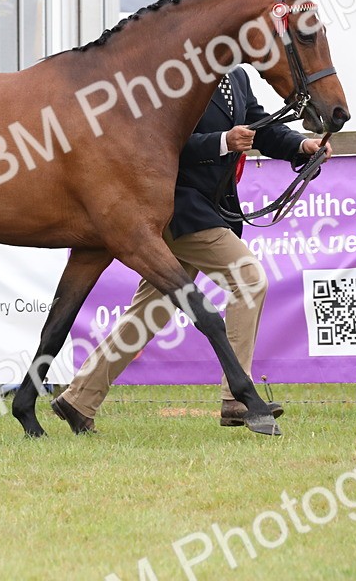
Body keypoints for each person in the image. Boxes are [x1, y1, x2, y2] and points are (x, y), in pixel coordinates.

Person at [51, 67, 332, 437]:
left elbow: (260, 128)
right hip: (178, 207)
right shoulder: (172, 77)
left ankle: (79, 399)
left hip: (209, 208)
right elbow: (158, 144)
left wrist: (300, 145)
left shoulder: (237, 78)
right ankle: (236, 395)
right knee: (248, 278)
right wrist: (222, 142)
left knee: (151, 310)